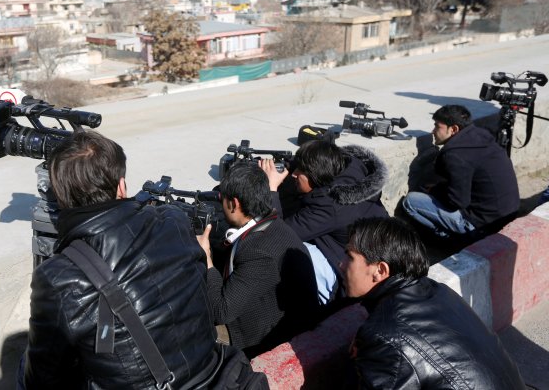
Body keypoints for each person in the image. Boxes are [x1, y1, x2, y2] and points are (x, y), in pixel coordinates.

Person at [23, 131, 219, 389]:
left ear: (60, 197)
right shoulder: (174, 220)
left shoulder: (59, 276)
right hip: (212, 375)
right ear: (122, 186)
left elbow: (43, 380)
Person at [341, 217, 526, 389]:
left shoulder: (385, 335)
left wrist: (362, 358)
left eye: (350, 256)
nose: (342, 265)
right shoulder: (438, 291)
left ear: (380, 270)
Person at [197, 162, 321, 358]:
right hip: (269, 319)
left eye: (222, 199)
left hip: (265, 343)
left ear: (234, 203)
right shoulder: (271, 224)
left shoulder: (260, 251)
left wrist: (206, 259)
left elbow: (221, 311)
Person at [260, 140, 388, 303]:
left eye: (301, 171)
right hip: (377, 251)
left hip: (355, 275)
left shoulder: (328, 205)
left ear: (314, 176)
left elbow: (277, 235)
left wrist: (271, 189)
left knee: (291, 251)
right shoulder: (350, 168)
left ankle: (316, 306)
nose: (294, 174)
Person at [402, 104, 520, 238]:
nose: (433, 131)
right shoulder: (480, 135)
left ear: (453, 129)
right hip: (506, 216)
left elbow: (457, 202)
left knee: (411, 201)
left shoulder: (454, 156)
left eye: (437, 126)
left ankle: (450, 240)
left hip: (483, 226)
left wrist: (433, 191)